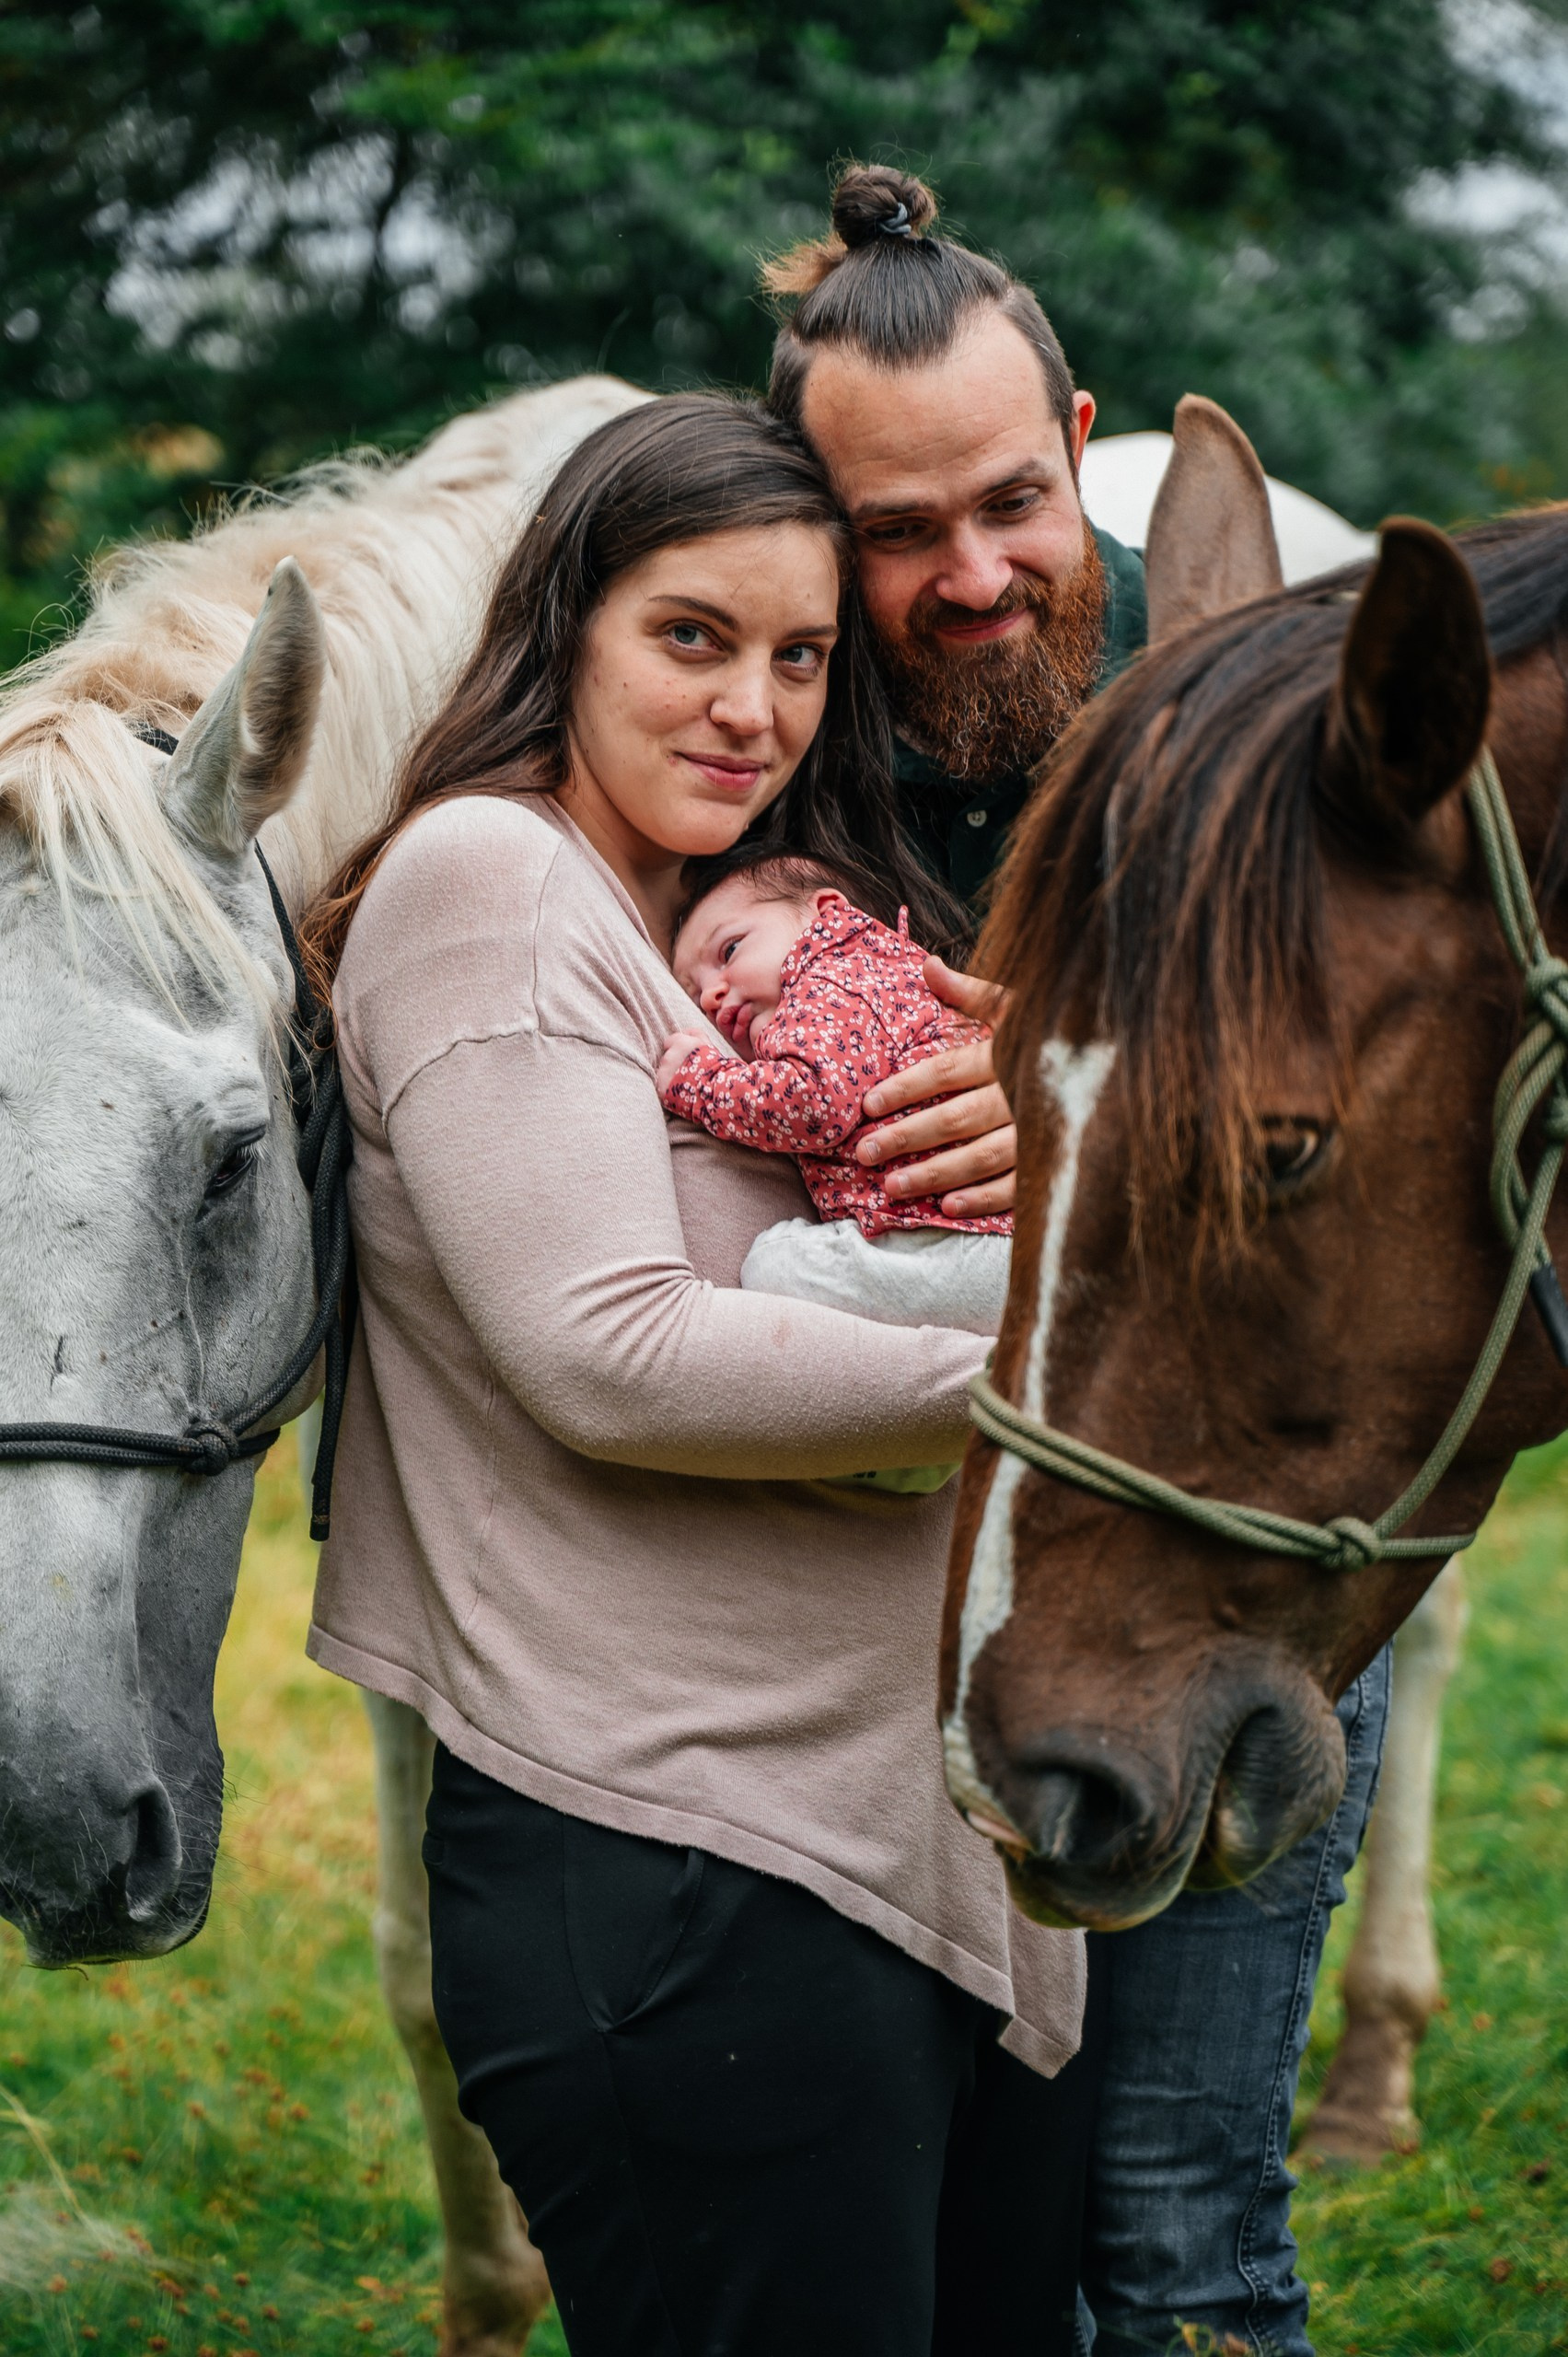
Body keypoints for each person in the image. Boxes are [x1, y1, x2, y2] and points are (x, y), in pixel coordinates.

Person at [301, 392, 1096, 2357]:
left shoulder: (728, 916)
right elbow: (614, 1353)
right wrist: (1077, 1371)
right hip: (678, 1860)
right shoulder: (489, 879)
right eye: (689, 636)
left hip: (886, 1839)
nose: (752, 708)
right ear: (559, 621)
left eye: (800, 656)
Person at [759, 162, 1391, 2357]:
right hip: (870, 1585)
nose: (971, 574)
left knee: (1172, 2220)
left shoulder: (1243, 688)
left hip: (1203, 1533)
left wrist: (1068, 1111)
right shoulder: (762, 729)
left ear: (1079, 438)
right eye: (895, 529)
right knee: (958, 2246)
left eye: (1011, 501)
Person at [658, 850, 1011, 1341]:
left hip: (960, 1241)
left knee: (773, 1266)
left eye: (729, 951)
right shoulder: (881, 972)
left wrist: (700, 1081)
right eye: (695, 996)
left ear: (825, 911)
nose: (710, 995)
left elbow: (813, 1104)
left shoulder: (831, 979)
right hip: (985, 1239)